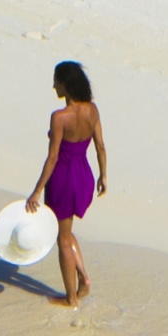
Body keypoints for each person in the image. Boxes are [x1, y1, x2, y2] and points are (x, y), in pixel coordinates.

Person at [26, 61, 107, 308]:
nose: (54, 86)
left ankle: (71, 298)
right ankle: (83, 278)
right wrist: (103, 176)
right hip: (84, 176)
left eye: (56, 82)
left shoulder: (60, 117)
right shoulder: (92, 110)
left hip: (63, 178)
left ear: (66, 84)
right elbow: (100, 146)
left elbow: (53, 157)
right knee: (67, 231)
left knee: (62, 239)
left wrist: (37, 191)